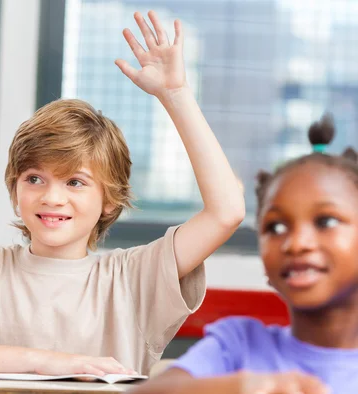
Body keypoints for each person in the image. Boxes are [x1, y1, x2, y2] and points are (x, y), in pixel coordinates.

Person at [0, 11, 244, 376]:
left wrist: (175, 94)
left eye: (75, 182)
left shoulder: (133, 277)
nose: (52, 197)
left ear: (109, 198)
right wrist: (52, 363)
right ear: (14, 187)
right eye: (34, 179)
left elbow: (227, 211)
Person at [131, 115, 356, 394]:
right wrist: (244, 386)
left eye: (326, 222)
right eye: (276, 226)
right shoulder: (239, 344)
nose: (296, 243)